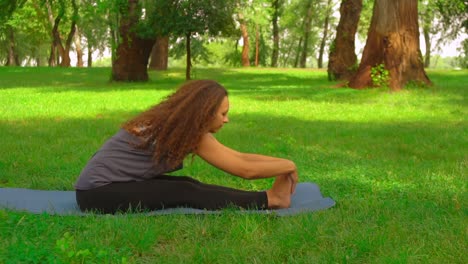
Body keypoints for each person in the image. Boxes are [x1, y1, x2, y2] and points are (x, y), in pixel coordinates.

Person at [74, 80, 299, 214]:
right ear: (203, 114)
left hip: (108, 186)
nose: (226, 120)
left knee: (186, 184)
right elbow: (244, 169)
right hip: (97, 193)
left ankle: (271, 197)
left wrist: (283, 166)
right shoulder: (186, 131)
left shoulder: (180, 125)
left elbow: (239, 157)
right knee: (185, 191)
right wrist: (288, 165)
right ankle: (272, 199)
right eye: (223, 114)